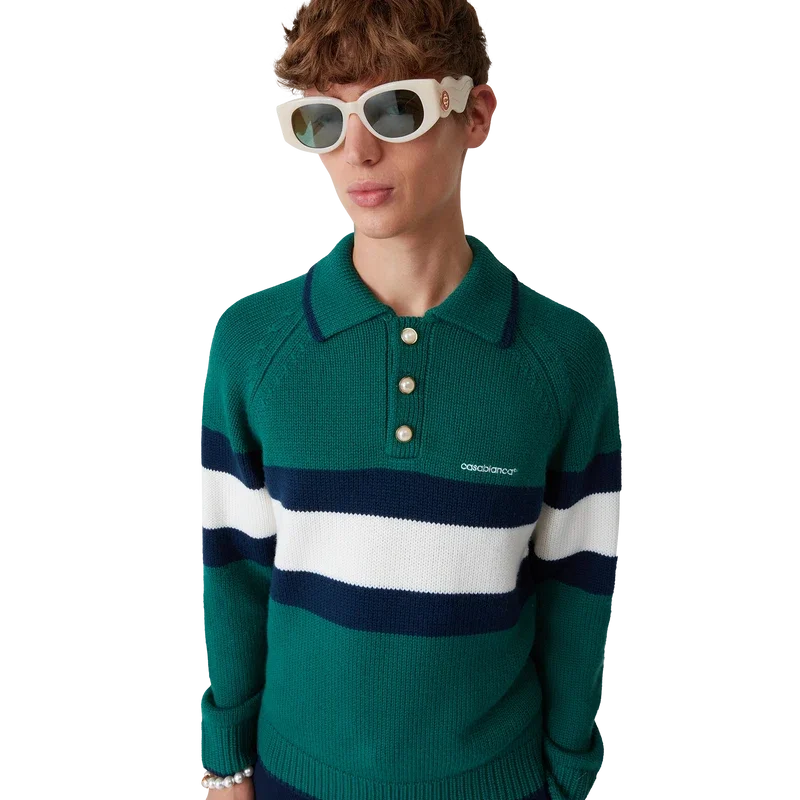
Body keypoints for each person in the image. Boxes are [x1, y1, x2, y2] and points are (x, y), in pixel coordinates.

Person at [198, 2, 622, 799]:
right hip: (294, 779)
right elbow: (232, 570)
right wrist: (224, 763)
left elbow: (579, 590)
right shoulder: (254, 344)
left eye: (396, 109)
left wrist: (573, 774)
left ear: (477, 115)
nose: (357, 150)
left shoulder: (564, 358)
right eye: (325, 120)